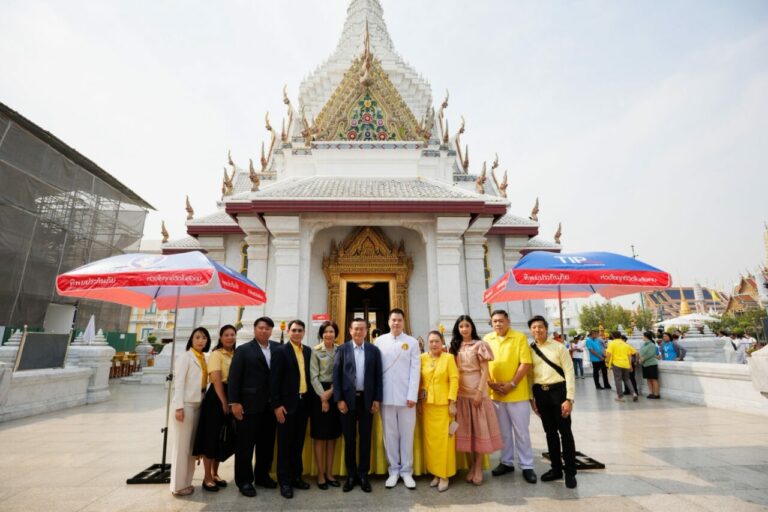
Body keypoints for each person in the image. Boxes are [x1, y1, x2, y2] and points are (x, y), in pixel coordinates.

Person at [484, 310, 537, 484]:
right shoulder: (487, 339)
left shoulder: (519, 337)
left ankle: (527, 465)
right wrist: (490, 382)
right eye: (494, 321)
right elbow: (483, 364)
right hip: (496, 393)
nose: (498, 324)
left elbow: (526, 363)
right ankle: (506, 462)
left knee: (521, 431)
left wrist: (512, 384)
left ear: (508, 321)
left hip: (516, 393)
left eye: (501, 321)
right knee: (503, 432)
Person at [228, 317, 279, 498]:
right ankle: (244, 481)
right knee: (245, 446)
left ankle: (262, 476)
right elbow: (234, 378)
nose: (264, 331)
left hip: (270, 406)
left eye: (267, 328)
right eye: (261, 328)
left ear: (272, 331)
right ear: (255, 329)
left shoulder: (277, 348)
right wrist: (234, 402)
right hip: (248, 406)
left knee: (266, 444)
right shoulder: (243, 350)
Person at [450, 315, 503, 485]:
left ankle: (479, 466)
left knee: (480, 430)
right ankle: (471, 465)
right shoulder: (454, 346)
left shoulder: (480, 345)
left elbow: (485, 370)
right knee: (463, 430)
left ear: (472, 327)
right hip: (460, 393)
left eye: (467, 326)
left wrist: (480, 392)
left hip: (477, 392)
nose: (464, 329)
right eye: (461, 326)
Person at [332, 317, 383, 493]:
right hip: (347, 401)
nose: (359, 332)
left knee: (365, 438)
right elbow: (336, 376)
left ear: (367, 330)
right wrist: (339, 399)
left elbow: (378, 377)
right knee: (349, 439)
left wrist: (377, 399)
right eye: (356, 329)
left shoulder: (373, 350)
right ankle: (351, 475)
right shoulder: (342, 349)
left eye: (362, 329)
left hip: (367, 401)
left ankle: (363, 474)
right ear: (350, 330)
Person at [527, 315, 577, 489]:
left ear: (546, 328)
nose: (537, 330)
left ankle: (570, 472)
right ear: (530, 330)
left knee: (565, 433)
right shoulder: (529, 349)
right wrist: (531, 398)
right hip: (541, 393)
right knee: (550, 433)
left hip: (559, 392)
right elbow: (529, 376)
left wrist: (569, 398)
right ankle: (556, 469)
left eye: (540, 327)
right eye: (534, 327)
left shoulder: (559, 347)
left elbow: (569, 372)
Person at [375, 308, 421, 489]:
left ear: (403, 321)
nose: (396, 323)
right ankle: (393, 470)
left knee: (407, 435)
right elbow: (376, 371)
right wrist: (377, 397)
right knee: (390, 436)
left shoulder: (411, 342)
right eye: (393, 320)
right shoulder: (379, 341)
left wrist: (412, 395)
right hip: (386, 397)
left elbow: (415, 370)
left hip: (406, 398)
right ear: (388, 321)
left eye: (399, 320)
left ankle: (407, 471)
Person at [271, 319, 314, 499]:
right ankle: (285, 481)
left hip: (303, 404)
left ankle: (297, 476)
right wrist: (277, 405)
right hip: (286, 406)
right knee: (285, 445)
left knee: (298, 444)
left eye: (300, 330)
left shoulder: (308, 351)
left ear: (304, 332)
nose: (297, 333)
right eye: (294, 330)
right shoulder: (280, 351)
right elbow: (274, 381)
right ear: (288, 332)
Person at [193, 324, 236, 492]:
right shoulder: (216, 355)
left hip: (230, 395)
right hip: (217, 397)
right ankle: (207, 477)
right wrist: (224, 402)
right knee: (211, 435)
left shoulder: (235, 354)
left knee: (222, 436)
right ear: (220, 337)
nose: (230, 337)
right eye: (226, 335)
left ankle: (215, 473)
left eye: (232, 334)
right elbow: (216, 380)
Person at [170, 327, 211, 496]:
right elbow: (178, 383)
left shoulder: (203, 358)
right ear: (191, 340)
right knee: (182, 447)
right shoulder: (185, 357)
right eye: (197, 337)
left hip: (199, 402)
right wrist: (179, 407)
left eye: (204, 338)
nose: (201, 340)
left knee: (192, 447)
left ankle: (187, 482)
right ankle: (178, 485)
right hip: (185, 405)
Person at [418, 330, 459, 492]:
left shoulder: (448, 358)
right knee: (431, 442)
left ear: (442, 342)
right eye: (431, 341)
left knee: (445, 442)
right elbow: (420, 381)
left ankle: (444, 475)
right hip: (428, 405)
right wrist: (419, 401)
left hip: (444, 405)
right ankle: (435, 472)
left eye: (437, 341)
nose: (434, 344)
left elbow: (454, 380)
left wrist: (452, 402)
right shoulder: (422, 358)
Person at [309, 320, 342, 490]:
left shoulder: (340, 350)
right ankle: (320, 474)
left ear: (336, 333)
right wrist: (323, 397)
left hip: (335, 393)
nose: (329, 334)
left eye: (332, 331)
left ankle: (330, 472)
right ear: (321, 334)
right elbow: (313, 376)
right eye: (326, 331)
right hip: (318, 393)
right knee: (321, 436)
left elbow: (343, 373)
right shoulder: (315, 351)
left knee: (332, 436)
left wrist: (332, 392)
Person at [606, 331, 638, 402]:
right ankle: (633, 393)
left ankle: (620, 396)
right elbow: (633, 353)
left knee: (618, 380)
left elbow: (608, 354)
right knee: (627, 379)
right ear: (620, 336)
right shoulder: (625, 344)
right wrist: (630, 365)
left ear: (613, 336)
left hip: (617, 364)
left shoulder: (612, 343)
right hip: (626, 364)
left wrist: (607, 361)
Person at [639, 331, 660, 399]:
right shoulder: (643, 344)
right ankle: (651, 393)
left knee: (654, 379)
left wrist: (643, 358)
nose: (642, 337)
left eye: (643, 336)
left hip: (651, 363)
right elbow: (641, 352)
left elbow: (651, 354)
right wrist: (640, 359)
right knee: (648, 379)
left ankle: (656, 394)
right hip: (645, 364)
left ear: (646, 337)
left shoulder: (651, 344)